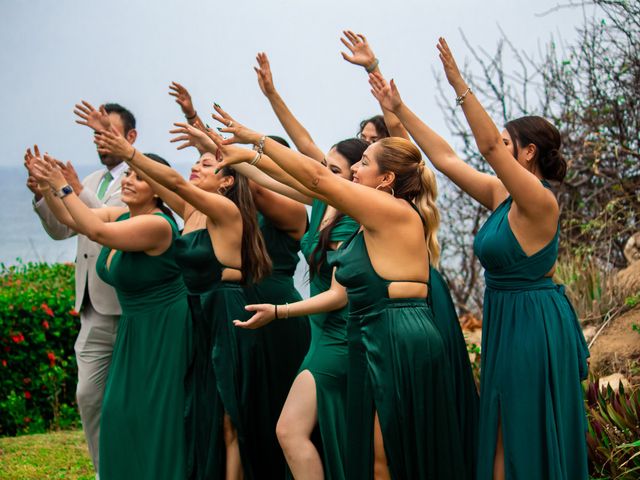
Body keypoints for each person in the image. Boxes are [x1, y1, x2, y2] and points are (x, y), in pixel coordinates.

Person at [369, 38, 589, 479]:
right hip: (505, 319)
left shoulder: (541, 203)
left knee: (520, 425)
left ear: (527, 153)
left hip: (533, 325)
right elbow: (446, 159)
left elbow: (486, 146)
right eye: (501, 141)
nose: (498, 148)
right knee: (503, 429)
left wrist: (458, 83)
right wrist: (399, 107)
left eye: (508, 142)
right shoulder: (500, 194)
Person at [211, 112, 467, 479]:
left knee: (389, 457)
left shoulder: (391, 210)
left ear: (387, 179)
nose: (355, 171)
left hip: (399, 335)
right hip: (376, 333)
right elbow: (306, 182)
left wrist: (258, 140)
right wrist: (246, 154)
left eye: (364, 163)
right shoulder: (370, 215)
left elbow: (316, 176)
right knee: (377, 457)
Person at [94, 125, 276, 480]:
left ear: (226, 182)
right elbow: (166, 185)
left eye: (207, 166)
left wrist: (130, 153)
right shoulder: (192, 212)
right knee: (199, 411)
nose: (196, 168)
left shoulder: (225, 209)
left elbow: (174, 184)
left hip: (224, 314)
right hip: (197, 314)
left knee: (229, 418)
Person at [198, 113, 366, 479]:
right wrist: (237, 152)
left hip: (338, 334)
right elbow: (263, 177)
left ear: (357, 175)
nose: (323, 174)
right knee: (310, 432)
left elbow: (339, 296)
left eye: (333, 170)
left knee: (289, 431)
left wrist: (280, 311)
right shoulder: (321, 202)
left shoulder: (355, 218)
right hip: (320, 333)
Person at [169, 85, 312, 478]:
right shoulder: (234, 205)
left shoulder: (288, 206)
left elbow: (251, 184)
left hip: (279, 316)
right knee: (235, 409)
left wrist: (227, 149)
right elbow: (215, 180)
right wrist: (199, 126)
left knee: (274, 409)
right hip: (237, 313)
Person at [27, 149, 191, 480]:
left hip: (162, 330)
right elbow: (76, 221)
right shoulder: (122, 216)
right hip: (135, 328)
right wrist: (47, 187)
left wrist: (64, 186)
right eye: (128, 174)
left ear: (159, 190)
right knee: (118, 411)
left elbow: (97, 232)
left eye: (139, 177)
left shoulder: (158, 226)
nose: (128, 180)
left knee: (154, 415)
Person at [25, 101, 136, 476]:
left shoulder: (138, 179)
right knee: (87, 396)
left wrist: (68, 189)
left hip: (126, 306)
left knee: (128, 400)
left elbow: (106, 224)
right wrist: (45, 194)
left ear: (131, 137)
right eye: (96, 135)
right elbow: (62, 230)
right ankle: (106, 471)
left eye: (108, 133)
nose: (100, 142)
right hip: (90, 305)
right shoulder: (89, 181)